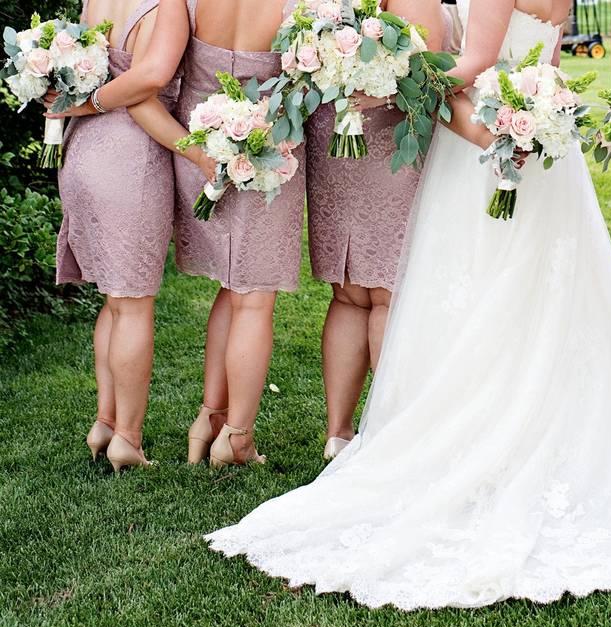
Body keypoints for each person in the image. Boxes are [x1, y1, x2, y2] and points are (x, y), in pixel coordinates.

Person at [205, 0, 611, 610]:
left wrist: (391, 77)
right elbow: (546, 61)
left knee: (481, 288)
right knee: (535, 294)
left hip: (486, 154)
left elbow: (471, 65)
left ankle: (473, 434)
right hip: (544, 154)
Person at [48, 0, 210, 472]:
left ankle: (105, 422)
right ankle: (128, 438)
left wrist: (83, 104)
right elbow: (151, 78)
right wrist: (196, 151)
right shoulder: (168, 5)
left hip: (83, 150)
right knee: (134, 302)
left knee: (116, 302)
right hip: (129, 157)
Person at [305, 0, 447, 460]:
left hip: (332, 131)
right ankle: (389, 433)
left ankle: (339, 433)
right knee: (386, 293)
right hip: (389, 140)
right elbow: (431, 76)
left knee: (348, 293)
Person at [173, 0, 307, 468]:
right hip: (268, 148)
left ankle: (210, 418)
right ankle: (237, 437)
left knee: (233, 289)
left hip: (200, 144)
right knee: (254, 297)